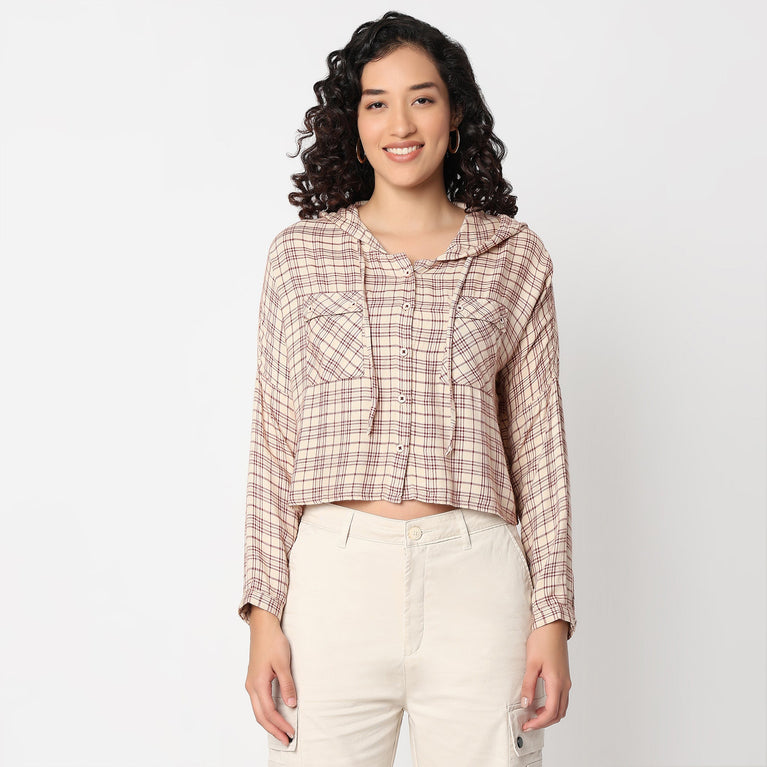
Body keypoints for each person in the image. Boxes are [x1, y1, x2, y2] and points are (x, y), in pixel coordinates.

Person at [239, 11, 575, 766]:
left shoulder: (513, 256)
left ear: (455, 115)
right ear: (352, 122)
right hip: (334, 579)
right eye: (376, 102)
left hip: (477, 580)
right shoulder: (300, 257)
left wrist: (552, 617)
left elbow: (541, 451)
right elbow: (272, 443)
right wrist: (263, 614)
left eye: (422, 99)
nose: (400, 123)